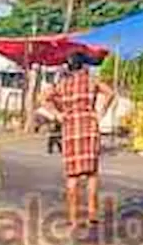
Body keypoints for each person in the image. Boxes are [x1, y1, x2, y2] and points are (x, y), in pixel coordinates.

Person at [41, 51, 113, 229]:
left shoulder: (63, 84)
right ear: (84, 66)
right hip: (89, 127)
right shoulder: (91, 81)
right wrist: (100, 113)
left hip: (70, 128)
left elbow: (44, 98)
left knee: (72, 175)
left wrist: (57, 114)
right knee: (91, 173)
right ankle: (92, 214)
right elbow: (110, 93)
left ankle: (73, 218)